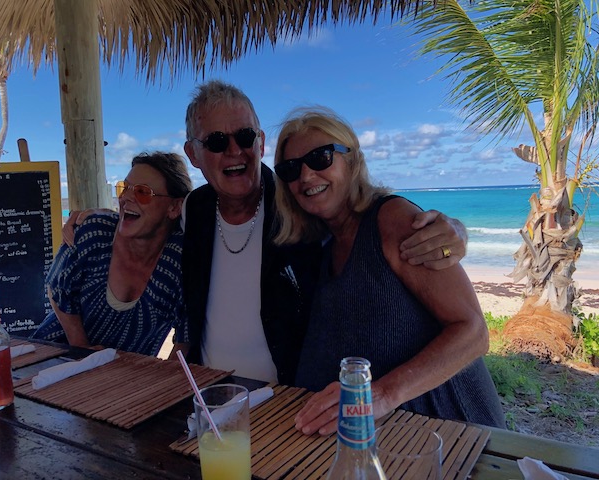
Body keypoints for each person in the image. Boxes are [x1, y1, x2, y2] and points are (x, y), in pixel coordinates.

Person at [62, 80, 469, 383]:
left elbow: (360, 215)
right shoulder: (193, 209)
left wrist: (453, 229)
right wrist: (95, 217)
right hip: (213, 397)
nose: (234, 151)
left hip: (288, 400)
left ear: (259, 141)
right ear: (194, 154)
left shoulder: (298, 203)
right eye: (218, 141)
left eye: (244, 137)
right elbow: (146, 215)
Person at [270, 106, 506, 432]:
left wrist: (380, 395)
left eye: (321, 157)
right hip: (385, 442)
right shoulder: (321, 245)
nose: (306, 176)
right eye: (291, 168)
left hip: (450, 436)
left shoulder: (392, 219)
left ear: (351, 160)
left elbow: (474, 333)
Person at [31, 152, 192, 356]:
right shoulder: (94, 233)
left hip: (127, 378)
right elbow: (58, 289)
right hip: (51, 360)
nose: (125, 198)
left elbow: (186, 333)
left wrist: (170, 384)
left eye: (143, 192)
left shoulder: (180, 260)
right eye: (124, 188)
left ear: (175, 207)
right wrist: (82, 350)